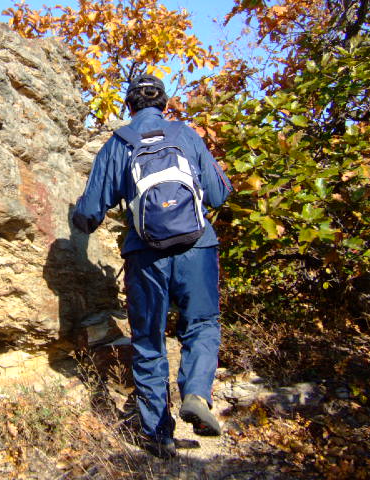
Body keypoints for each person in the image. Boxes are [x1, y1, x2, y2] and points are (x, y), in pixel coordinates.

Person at [72, 74, 232, 457]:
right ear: (164, 103)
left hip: (144, 255)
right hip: (197, 246)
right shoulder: (186, 135)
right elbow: (218, 193)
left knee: (148, 341)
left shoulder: (119, 143)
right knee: (202, 325)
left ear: (130, 105)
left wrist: (76, 218)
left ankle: (159, 435)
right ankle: (196, 394)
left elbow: (90, 213)